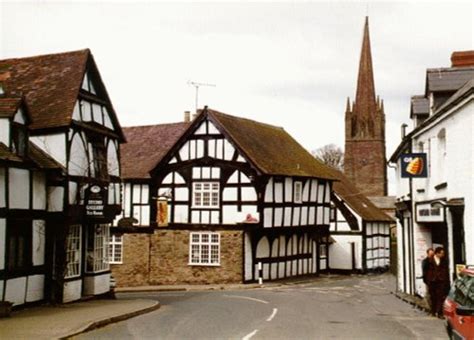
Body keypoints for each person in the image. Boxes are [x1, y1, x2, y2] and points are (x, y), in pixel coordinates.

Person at [426, 247, 450, 318]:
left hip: (441, 281)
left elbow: (446, 271)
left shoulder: (444, 261)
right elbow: (426, 272)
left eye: (443, 253)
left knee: (440, 297)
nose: (443, 255)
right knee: (433, 297)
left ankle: (439, 313)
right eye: (441, 253)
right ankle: (433, 311)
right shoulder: (429, 261)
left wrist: (445, 280)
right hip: (432, 281)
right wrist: (428, 280)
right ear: (437, 253)